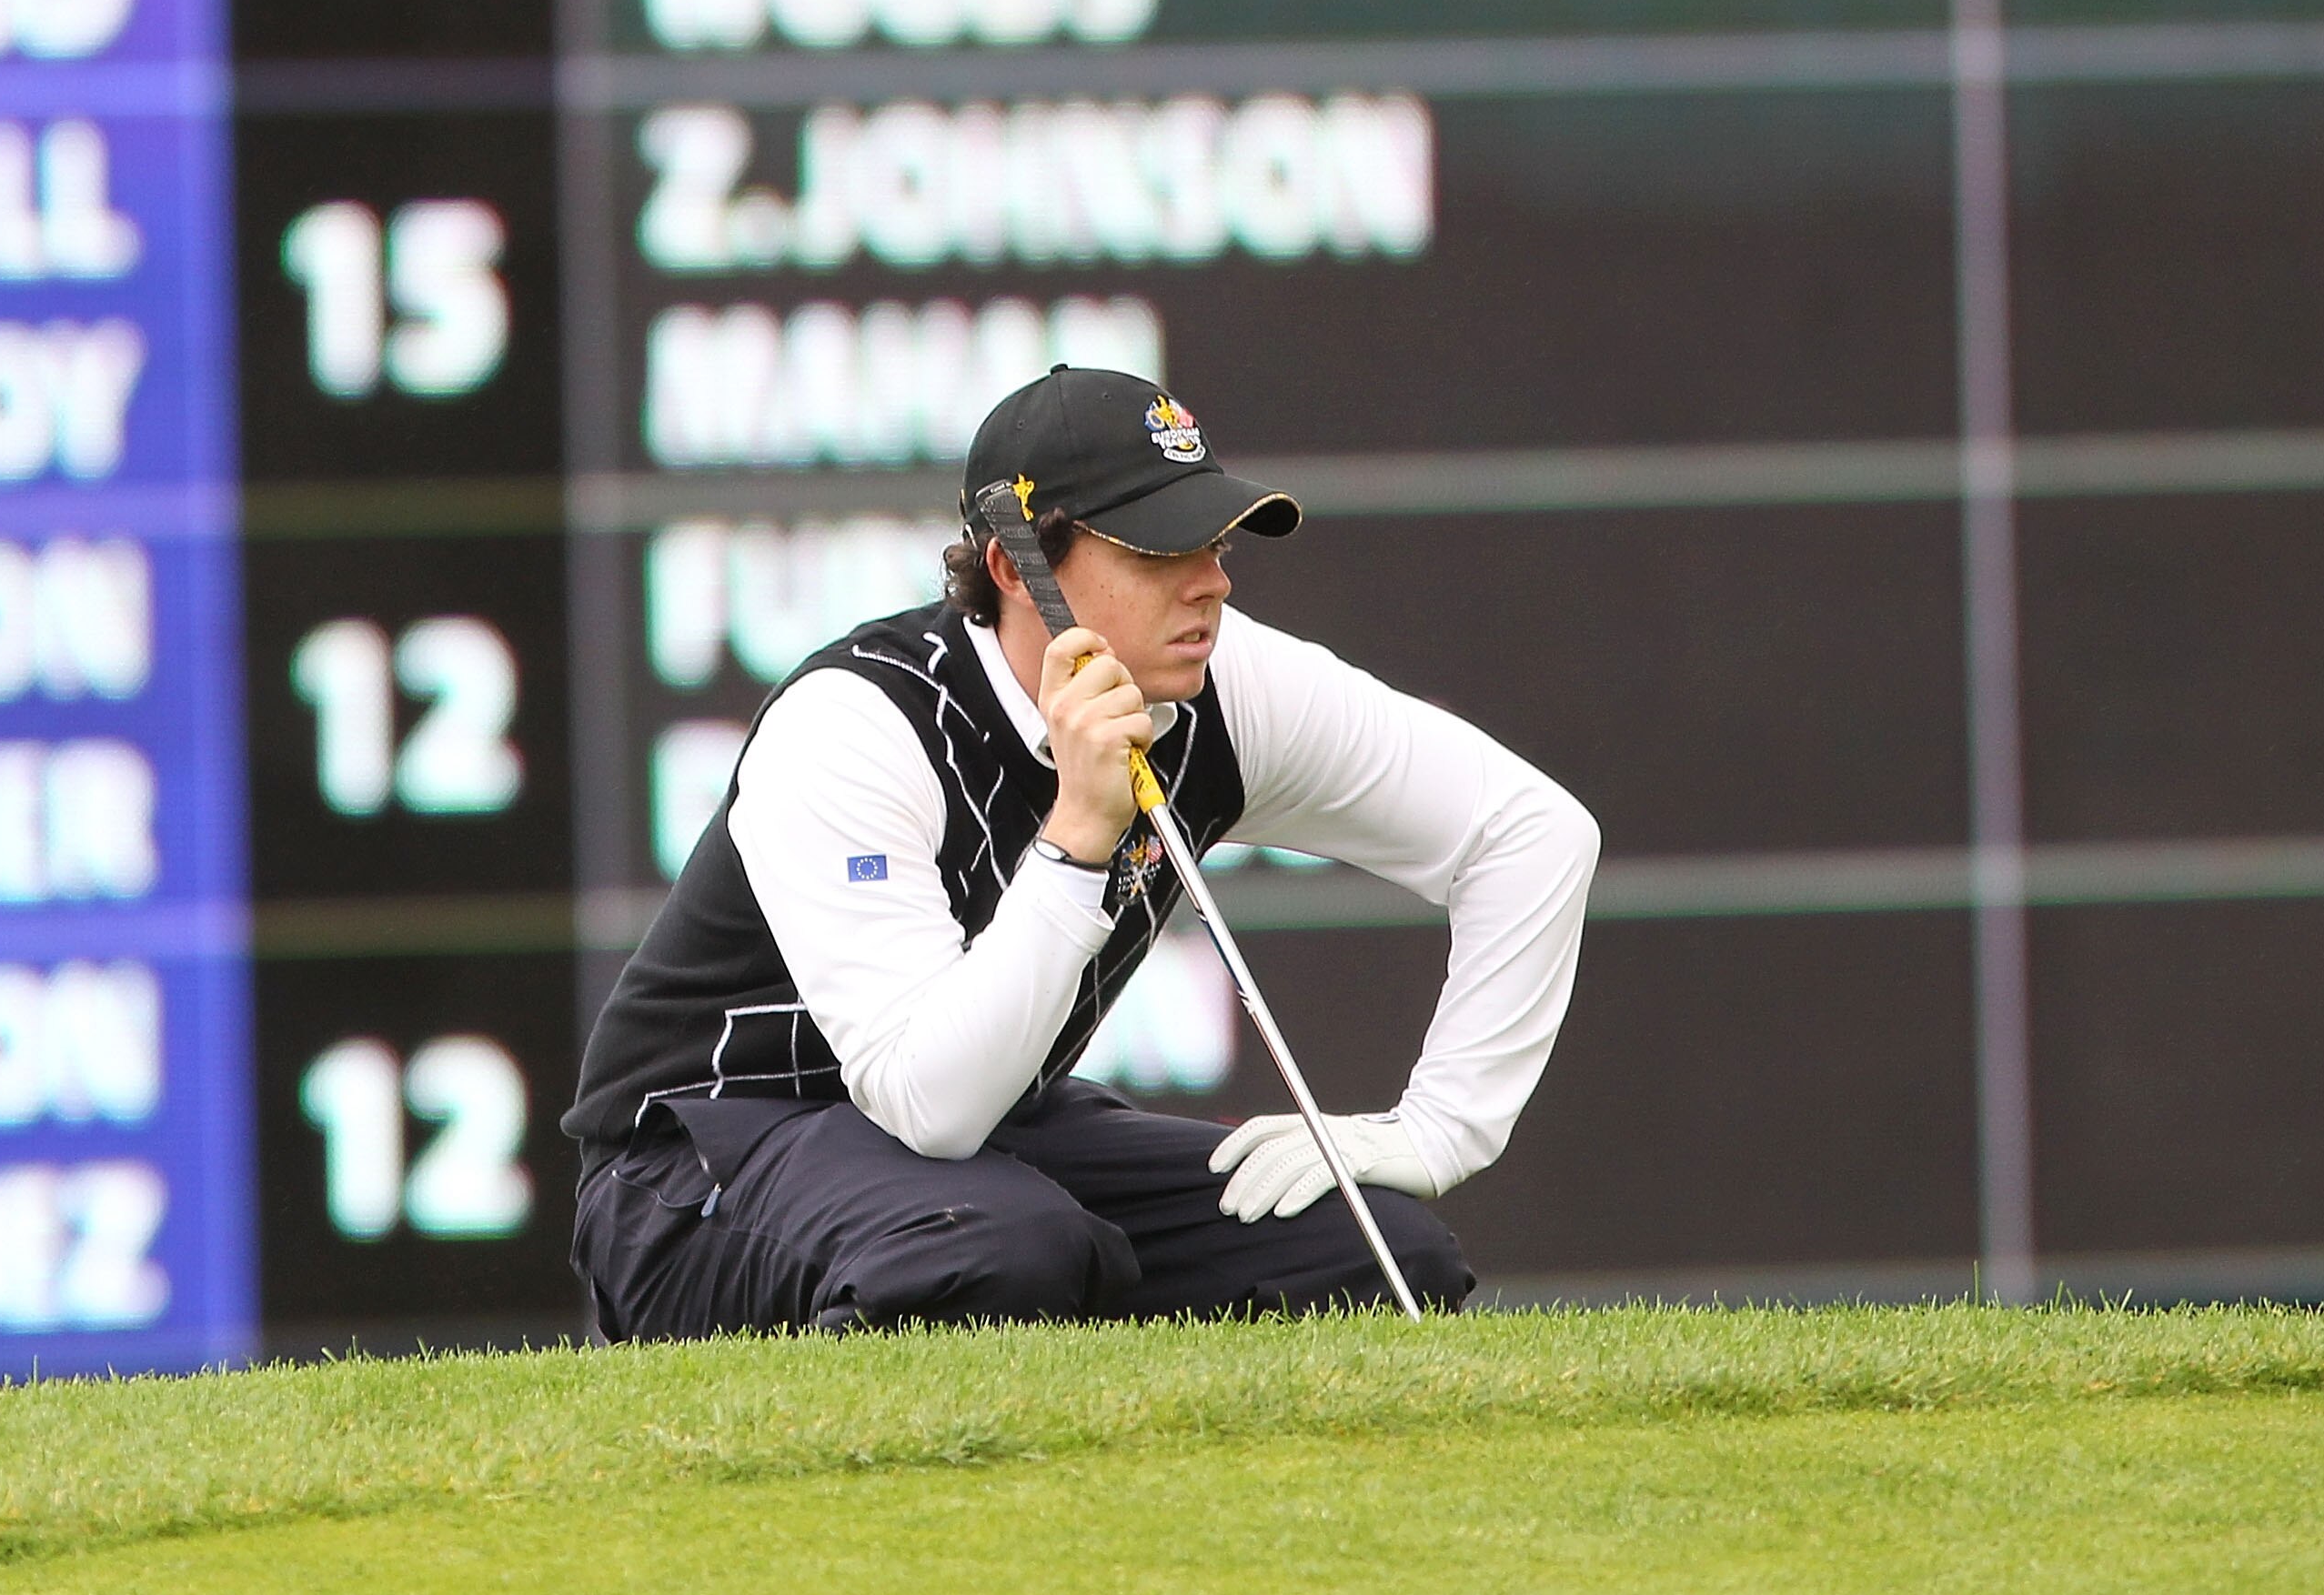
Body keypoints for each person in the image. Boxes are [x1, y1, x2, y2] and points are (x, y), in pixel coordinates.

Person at [565, 366, 1595, 1334]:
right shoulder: (855, 724)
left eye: (1216, 543)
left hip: (979, 1143)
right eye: (1156, 554)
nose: (1212, 586)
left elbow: (1530, 836)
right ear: (1015, 569)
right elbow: (927, 1102)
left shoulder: (1227, 682)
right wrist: (1077, 839)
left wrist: (1441, 1130)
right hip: (702, 1155)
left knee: (1383, 1254)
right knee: (998, 1251)